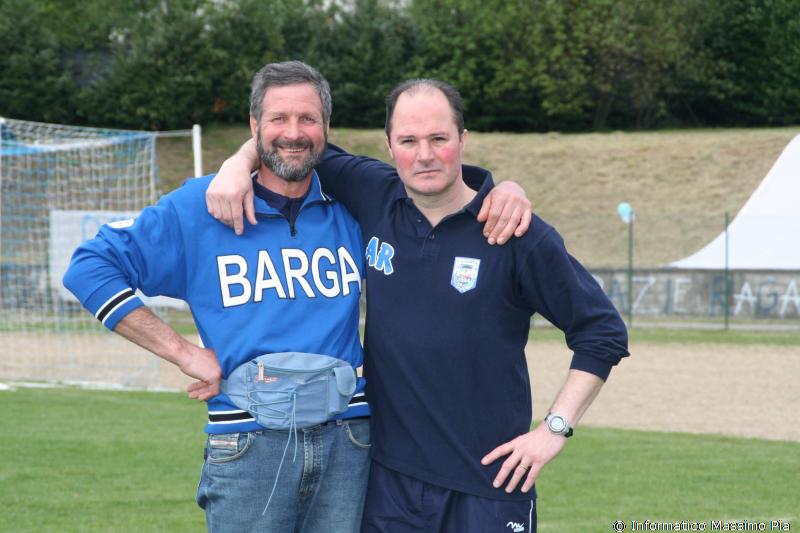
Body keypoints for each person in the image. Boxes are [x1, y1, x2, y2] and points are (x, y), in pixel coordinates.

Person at [63, 62, 530, 533]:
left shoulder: (354, 204)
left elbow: (444, 193)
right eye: (278, 119)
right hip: (248, 442)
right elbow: (89, 267)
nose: (293, 132)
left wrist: (504, 190)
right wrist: (182, 352)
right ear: (254, 126)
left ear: (326, 127)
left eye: (307, 119)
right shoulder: (204, 206)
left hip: (350, 440)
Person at [207, 78, 630, 532]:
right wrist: (237, 164)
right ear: (390, 146)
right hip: (388, 487)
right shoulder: (373, 192)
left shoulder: (512, 230)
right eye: (408, 141)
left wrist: (554, 430)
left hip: (489, 486)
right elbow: (292, 143)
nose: (424, 155)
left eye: (438, 139)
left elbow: (602, 332)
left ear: (463, 140)